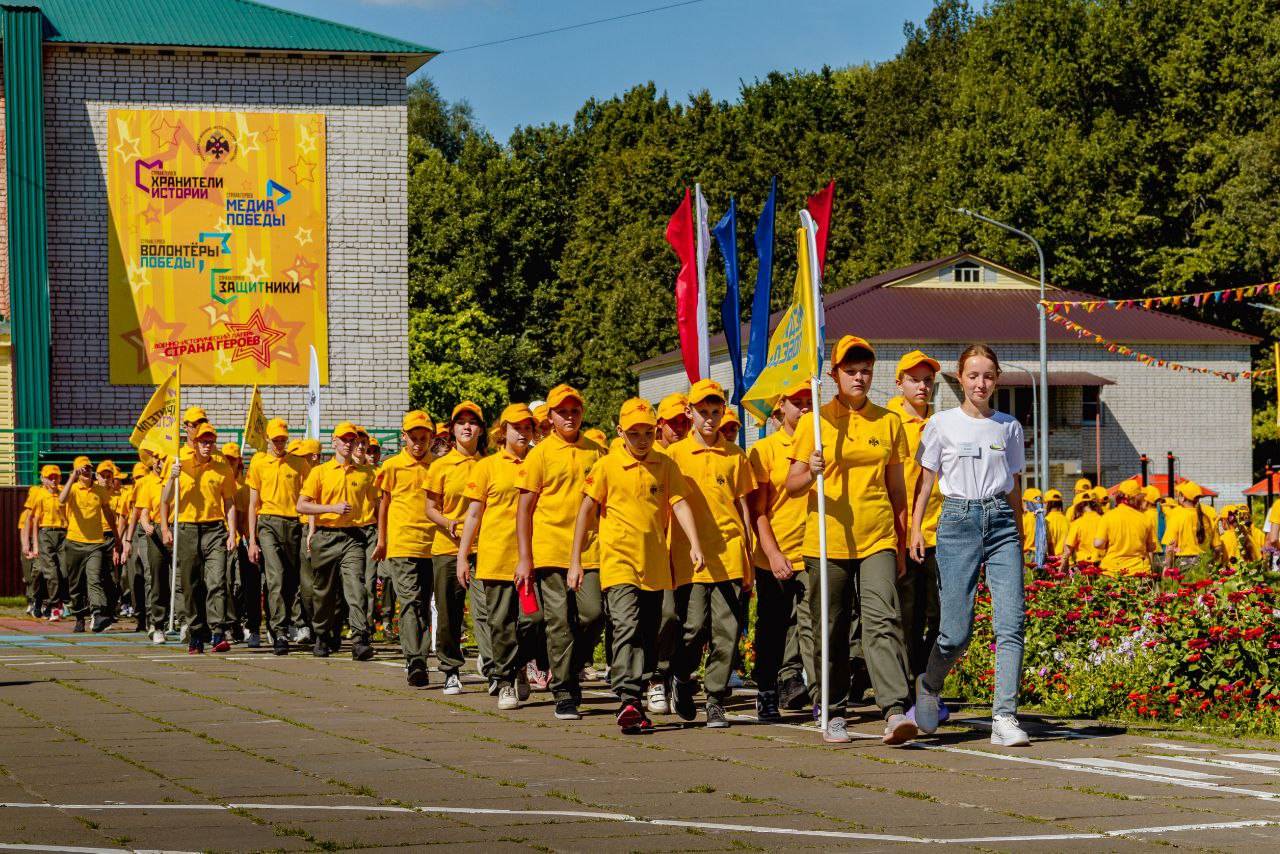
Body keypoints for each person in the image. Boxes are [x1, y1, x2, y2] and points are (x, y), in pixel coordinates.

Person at [787, 336, 916, 746]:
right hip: (827, 541)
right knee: (831, 627)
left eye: (865, 370)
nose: (859, 377)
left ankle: (895, 710)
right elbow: (790, 485)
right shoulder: (815, 422)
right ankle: (833, 708)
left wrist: (900, 537)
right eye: (850, 370)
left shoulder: (888, 421)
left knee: (882, 620)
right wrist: (810, 470)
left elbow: (897, 489)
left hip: (876, 536)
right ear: (834, 374)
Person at [910, 343, 1029, 747]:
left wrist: (1021, 530)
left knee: (1011, 623)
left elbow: (1014, 484)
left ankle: (1004, 717)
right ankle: (929, 683)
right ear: (959, 378)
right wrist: (914, 529)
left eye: (989, 376)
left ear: (997, 380)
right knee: (955, 633)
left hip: (1002, 523)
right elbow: (925, 483)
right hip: (957, 522)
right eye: (973, 375)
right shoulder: (941, 424)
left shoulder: (1009, 426)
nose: (981, 383)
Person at [572, 397, 703, 732]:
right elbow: (586, 510)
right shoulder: (606, 466)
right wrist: (576, 560)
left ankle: (647, 687)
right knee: (626, 626)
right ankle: (629, 698)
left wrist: (695, 545)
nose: (642, 439)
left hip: (656, 565)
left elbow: (680, 505)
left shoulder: (665, 464)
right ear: (621, 432)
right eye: (634, 433)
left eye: (648, 432)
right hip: (619, 562)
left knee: (662, 624)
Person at [665, 379, 756, 729]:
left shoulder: (735, 455)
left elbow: (743, 506)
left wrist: (748, 551)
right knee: (692, 628)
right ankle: (682, 677)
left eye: (715, 411)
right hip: (688, 556)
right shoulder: (674, 456)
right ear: (689, 412)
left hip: (729, 551)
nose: (709, 418)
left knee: (727, 631)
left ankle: (716, 698)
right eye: (702, 411)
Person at [516, 384, 606, 721]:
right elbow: (524, 509)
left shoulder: (596, 452)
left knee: (593, 614)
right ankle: (565, 691)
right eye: (562, 412)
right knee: (559, 623)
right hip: (551, 551)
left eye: (574, 410)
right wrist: (525, 558)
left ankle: (571, 665)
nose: (569, 416)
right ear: (550, 417)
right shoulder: (539, 455)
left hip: (589, 551)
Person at [457, 403, 539, 710]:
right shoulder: (487, 466)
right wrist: (462, 556)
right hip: (496, 558)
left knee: (535, 619)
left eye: (528, 428)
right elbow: (474, 514)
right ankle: (506, 681)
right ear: (502, 432)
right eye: (517, 427)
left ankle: (518, 663)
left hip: (533, 558)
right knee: (501, 624)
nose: (523, 433)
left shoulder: (537, 461)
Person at [748, 381, 814, 720]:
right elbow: (758, 510)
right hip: (776, 551)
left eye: (808, 401)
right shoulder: (765, 450)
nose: (804, 408)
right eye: (797, 402)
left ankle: (818, 692)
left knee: (813, 626)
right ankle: (767, 690)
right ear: (780, 408)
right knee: (772, 626)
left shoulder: (821, 444)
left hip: (814, 550)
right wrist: (772, 554)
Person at [886, 350, 945, 714]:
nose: (922, 386)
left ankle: (928, 683)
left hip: (941, 534)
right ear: (900, 383)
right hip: (905, 533)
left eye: (927, 380)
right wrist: (901, 532)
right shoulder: (889, 423)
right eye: (914, 379)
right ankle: (907, 688)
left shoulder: (941, 424)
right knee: (906, 617)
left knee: (941, 618)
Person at [297, 422, 377, 660]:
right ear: (334, 442)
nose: (348, 443)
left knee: (356, 588)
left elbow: (379, 504)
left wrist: (382, 534)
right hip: (326, 535)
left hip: (354, 537)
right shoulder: (319, 472)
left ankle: (360, 639)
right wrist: (331, 508)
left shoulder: (366, 473)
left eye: (351, 440)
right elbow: (302, 505)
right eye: (343, 439)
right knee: (323, 591)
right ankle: (321, 634)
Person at [426, 401, 489, 688]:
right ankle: (451, 668)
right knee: (449, 612)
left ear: (481, 429)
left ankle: (492, 666)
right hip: (448, 547)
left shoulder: (489, 464)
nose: (467, 426)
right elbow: (430, 508)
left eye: (472, 422)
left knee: (486, 610)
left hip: (483, 547)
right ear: (452, 429)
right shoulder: (440, 466)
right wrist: (447, 522)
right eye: (461, 422)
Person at [373, 410, 437, 686]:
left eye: (423, 437)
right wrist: (382, 540)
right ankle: (416, 660)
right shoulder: (391, 466)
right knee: (410, 601)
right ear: (404, 437)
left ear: (432, 438)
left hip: (433, 544)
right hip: (402, 543)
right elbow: (384, 504)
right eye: (413, 438)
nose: (418, 443)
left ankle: (418, 654)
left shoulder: (439, 466)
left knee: (424, 603)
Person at [162, 424, 238, 653]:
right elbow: (164, 499)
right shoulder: (178, 464)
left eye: (210, 442)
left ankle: (217, 632)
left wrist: (232, 532)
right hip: (187, 528)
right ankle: (196, 631)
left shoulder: (222, 467)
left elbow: (230, 502)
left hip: (214, 528)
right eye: (203, 442)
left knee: (216, 580)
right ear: (194, 443)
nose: (207, 446)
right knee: (190, 583)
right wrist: (170, 479)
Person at [247, 419, 308, 655]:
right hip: (268, 523)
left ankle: (280, 623)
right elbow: (253, 504)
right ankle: (279, 630)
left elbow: (308, 497)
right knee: (276, 576)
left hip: (293, 524)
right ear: (267, 440)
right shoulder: (258, 462)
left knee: (292, 580)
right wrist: (252, 540)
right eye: (276, 440)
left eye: (283, 439)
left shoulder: (298, 464)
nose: (280, 444)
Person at [649, 391, 692, 713]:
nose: (679, 428)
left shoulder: (686, 455)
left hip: (684, 553)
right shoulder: (649, 455)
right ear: (659, 425)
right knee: (664, 616)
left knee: (687, 620)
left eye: (683, 422)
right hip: (652, 554)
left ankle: (678, 676)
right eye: (672, 422)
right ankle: (656, 678)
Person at [60, 456, 123, 634]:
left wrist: (117, 537)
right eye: (82, 469)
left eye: (88, 468)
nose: (86, 471)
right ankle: (80, 616)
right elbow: (61, 500)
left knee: (94, 578)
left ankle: (98, 613)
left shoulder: (99, 490)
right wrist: (72, 477)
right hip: (74, 542)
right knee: (76, 583)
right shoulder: (72, 488)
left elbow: (109, 514)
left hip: (95, 543)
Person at [132, 445, 172, 643]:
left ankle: (184, 622)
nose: (158, 462)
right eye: (156, 458)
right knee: (157, 578)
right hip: (156, 532)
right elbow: (143, 512)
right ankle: (157, 624)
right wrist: (146, 525)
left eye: (162, 458)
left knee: (181, 579)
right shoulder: (148, 483)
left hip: (179, 528)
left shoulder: (177, 480)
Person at [221, 444, 260, 646]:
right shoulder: (218, 479)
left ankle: (249, 625)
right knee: (225, 584)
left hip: (240, 541)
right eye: (226, 458)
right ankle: (229, 624)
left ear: (239, 462)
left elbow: (244, 517)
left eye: (232, 458)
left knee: (246, 585)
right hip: (221, 540)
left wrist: (247, 539)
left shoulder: (243, 487)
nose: (229, 461)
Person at [24, 465, 67, 621]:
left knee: (64, 572)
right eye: (51, 477)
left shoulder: (64, 493)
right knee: (49, 572)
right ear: (44, 479)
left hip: (63, 533)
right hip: (45, 533)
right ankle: (51, 605)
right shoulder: (39, 495)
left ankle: (49, 603)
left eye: (56, 477)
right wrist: (34, 544)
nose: (54, 480)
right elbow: (33, 520)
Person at [1093, 480, 1157, 577]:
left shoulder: (1108, 516)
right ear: (1137, 498)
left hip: (1112, 571)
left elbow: (1098, 543)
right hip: (1139, 571)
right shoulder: (1145, 519)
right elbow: (1151, 547)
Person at [1163, 481, 1222, 571]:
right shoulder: (1208, 517)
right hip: (1204, 563)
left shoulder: (1176, 516)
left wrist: (1167, 568)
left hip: (1183, 565)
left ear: (1183, 498)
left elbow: (1170, 548)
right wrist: (1213, 564)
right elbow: (1217, 547)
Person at [1063, 488, 1106, 569]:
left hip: (1083, 566)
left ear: (1079, 506)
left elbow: (1068, 550)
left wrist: (1062, 569)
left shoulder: (1077, 523)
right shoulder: (1105, 520)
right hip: (1103, 565)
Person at [1043, 489, 1069, 557]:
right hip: (1066, 561)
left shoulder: (1046, 521)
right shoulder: (1067, 520)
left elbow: (1048, 544)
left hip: (1053, 561)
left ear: (1047, 503)